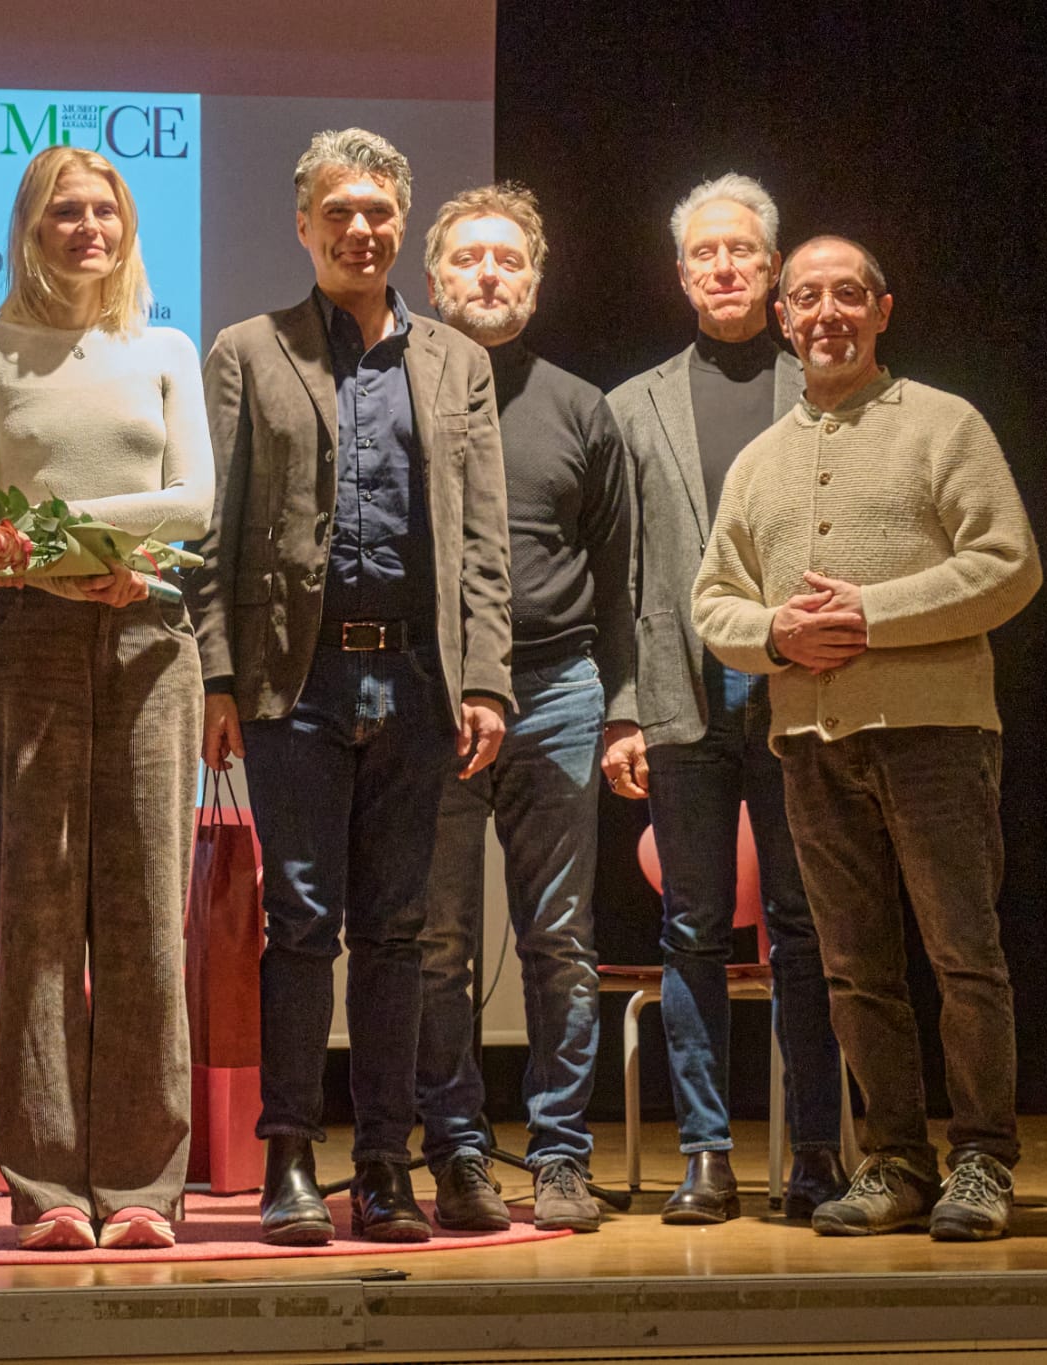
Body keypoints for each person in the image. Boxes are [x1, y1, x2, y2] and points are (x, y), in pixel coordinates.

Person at [192, 128, 512, 1247]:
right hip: (297, 682)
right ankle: (287, 1158)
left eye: (377, 211)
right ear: (303, 225)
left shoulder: (457, 364)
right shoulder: (247, 350)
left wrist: (486, 679)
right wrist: (216, 676)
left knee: (396, 932)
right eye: (338, 211)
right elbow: (215, 532)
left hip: (418, 682)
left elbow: (480, 544)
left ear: (400, 225)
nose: (359, 229)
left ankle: (383, 1166)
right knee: (299, 925)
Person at [693, 235, 1040, 1240]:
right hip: (810, 743)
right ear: (782, 320)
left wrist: (870, 614)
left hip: (936, 736)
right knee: (852, 967)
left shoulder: (943, 423)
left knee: (963, 955)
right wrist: (775, 633)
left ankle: (982, 1156)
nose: (826, 313)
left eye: (847, 294)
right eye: (806, 298)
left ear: (882, 311)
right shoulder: (759, 461)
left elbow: (1008, 564)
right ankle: (894, 1158)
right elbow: (712, 601)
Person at [0, 145, 213, 1251]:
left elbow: (195, 502)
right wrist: (65, 567)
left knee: (146, 916)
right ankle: (48, 1188)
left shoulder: (165, 347)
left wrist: (86, 546)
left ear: (126, 225)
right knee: (40, 916)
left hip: (151, 636)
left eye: (104, 210)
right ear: (30, 227)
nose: (87, 227)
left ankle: (145, 1186)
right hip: (30, 642)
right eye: (65, 212)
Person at [604, 174, 847, 1223]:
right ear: (680, 274)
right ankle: (706, 1154)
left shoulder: (826, 389)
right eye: (704, 252)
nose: (724, 266)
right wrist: (621, 708)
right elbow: (616, 573)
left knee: (806, 930)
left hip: (802, 700)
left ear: (774, 268)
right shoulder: (631, 406)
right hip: (679, 699)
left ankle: (817, 1153)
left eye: (742, 250)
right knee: (692, 929)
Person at [416, 183, 633, 1232]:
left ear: (535, 285)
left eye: (508, 259)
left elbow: (619, 577)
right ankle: (457, 1153)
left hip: (557, 694)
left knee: (559, 941)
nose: (488, 274)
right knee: (436, 945)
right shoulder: (397, 394)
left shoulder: (581, 408)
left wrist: (624, 706)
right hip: (434, 700)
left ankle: (559, 1158)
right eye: (468, 258)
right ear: (433, 281)